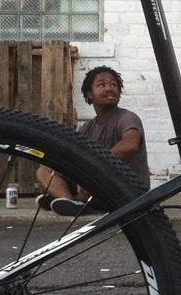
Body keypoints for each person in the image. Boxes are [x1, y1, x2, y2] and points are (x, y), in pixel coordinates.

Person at [36, 65, 149, 216]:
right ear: (89, 94)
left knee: (92, 170)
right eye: (102, 85)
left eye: (113, 85)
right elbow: (73, 155)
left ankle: (72, 201)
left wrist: (93, 165)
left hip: (127, 188)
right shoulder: (87, 128)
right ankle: (69, 201)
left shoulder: (127, 117)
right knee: (45, 169)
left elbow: (130, 146)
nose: (109, 88)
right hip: (98, 185)